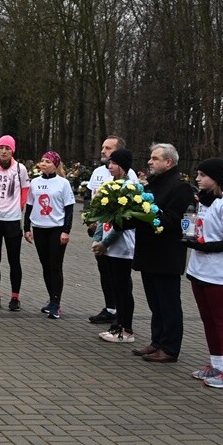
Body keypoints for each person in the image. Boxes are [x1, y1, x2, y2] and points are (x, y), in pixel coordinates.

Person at [130, 143, 195, 363]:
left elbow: (175, 220)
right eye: (150, 158)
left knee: (168, 302)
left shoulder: (180, 187)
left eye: (155, 158)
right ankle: (157, 341)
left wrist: (145, 217)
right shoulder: (153, 184)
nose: (150, 162)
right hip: (149, 252)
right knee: (154, 302)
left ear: (168, 162)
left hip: (166, 254)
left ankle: (169, 347)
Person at [184, 158, 223, 388]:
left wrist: (204, 247)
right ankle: (216, 364)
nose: (198, 178)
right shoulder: (203, 202)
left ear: (215, 178)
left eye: (202, 175)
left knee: (220, 318)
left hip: (216, 271)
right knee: (207, 318)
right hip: (199, 267)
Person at [85, 136, 136, 325]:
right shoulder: (99, 172)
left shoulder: (130, 181)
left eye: (108, 148)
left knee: (121, 281)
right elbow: (93, 199)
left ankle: (123, 321)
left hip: (119, 241)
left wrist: (106, 242)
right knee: (106, 273)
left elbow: (124, 217)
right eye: (103, 147)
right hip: (102, 232)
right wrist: (95, 228)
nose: (103, 151)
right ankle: (111, 308)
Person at [23, 151, 74, 319]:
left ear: (55, 164)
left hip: (56, 228)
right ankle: (51, 299)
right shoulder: (35, 183)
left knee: (55, 265)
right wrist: (27, 227)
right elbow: (29, 205)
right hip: (39, 227)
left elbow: (69, 208)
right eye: (42, 160)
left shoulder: (63, 183)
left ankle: (56, 302)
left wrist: (66, 230)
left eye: (47, 161)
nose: (43, 163)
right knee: (45, 265)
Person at [0, 135, 31, 311]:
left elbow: (25, 189)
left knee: (14, 260)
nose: (4, 151)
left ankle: (15, 297)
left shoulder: (20, 169)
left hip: (12, 220)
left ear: (13, 150)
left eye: (7, 148)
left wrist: (19, 206)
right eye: (1, 147)